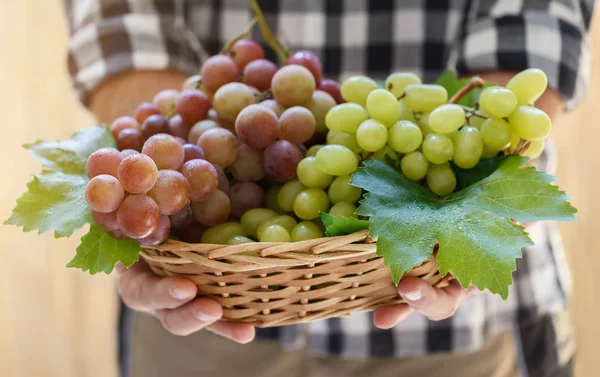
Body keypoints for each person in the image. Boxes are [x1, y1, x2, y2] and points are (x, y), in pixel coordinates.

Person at [62, 1, 593, 376]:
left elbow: (538, 19)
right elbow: (116, 23)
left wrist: (468, 206)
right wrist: (162, 208)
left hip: (459, 334)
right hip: (208, 310)